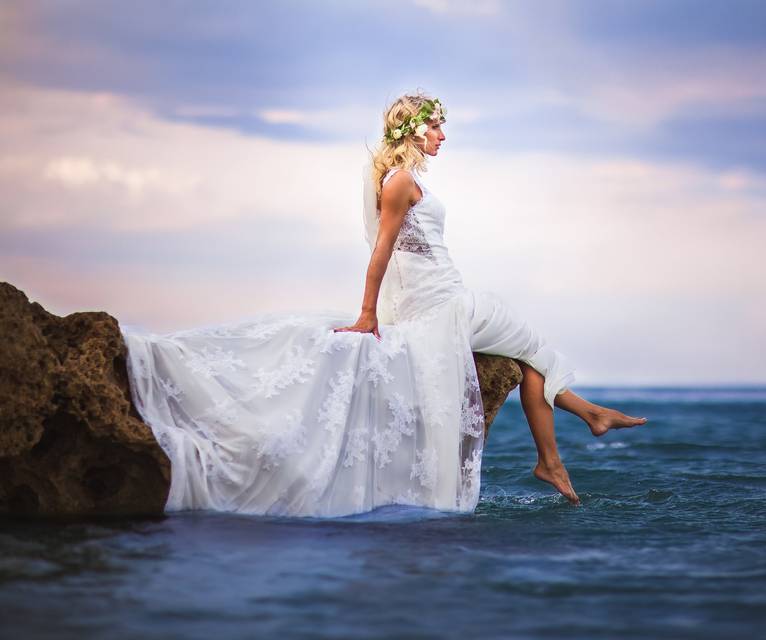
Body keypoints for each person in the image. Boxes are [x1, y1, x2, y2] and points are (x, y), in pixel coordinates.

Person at [120, 90, 647, 519]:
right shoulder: (398, 182)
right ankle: (570, 439)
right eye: (436, 126)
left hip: (446, 294)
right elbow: (381, 253)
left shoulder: (408, 179)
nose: (443, 135)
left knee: (532, 354)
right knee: (532, 345)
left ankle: (565, 446)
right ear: (414, 130)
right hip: (441, 306)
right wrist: (368, 314)